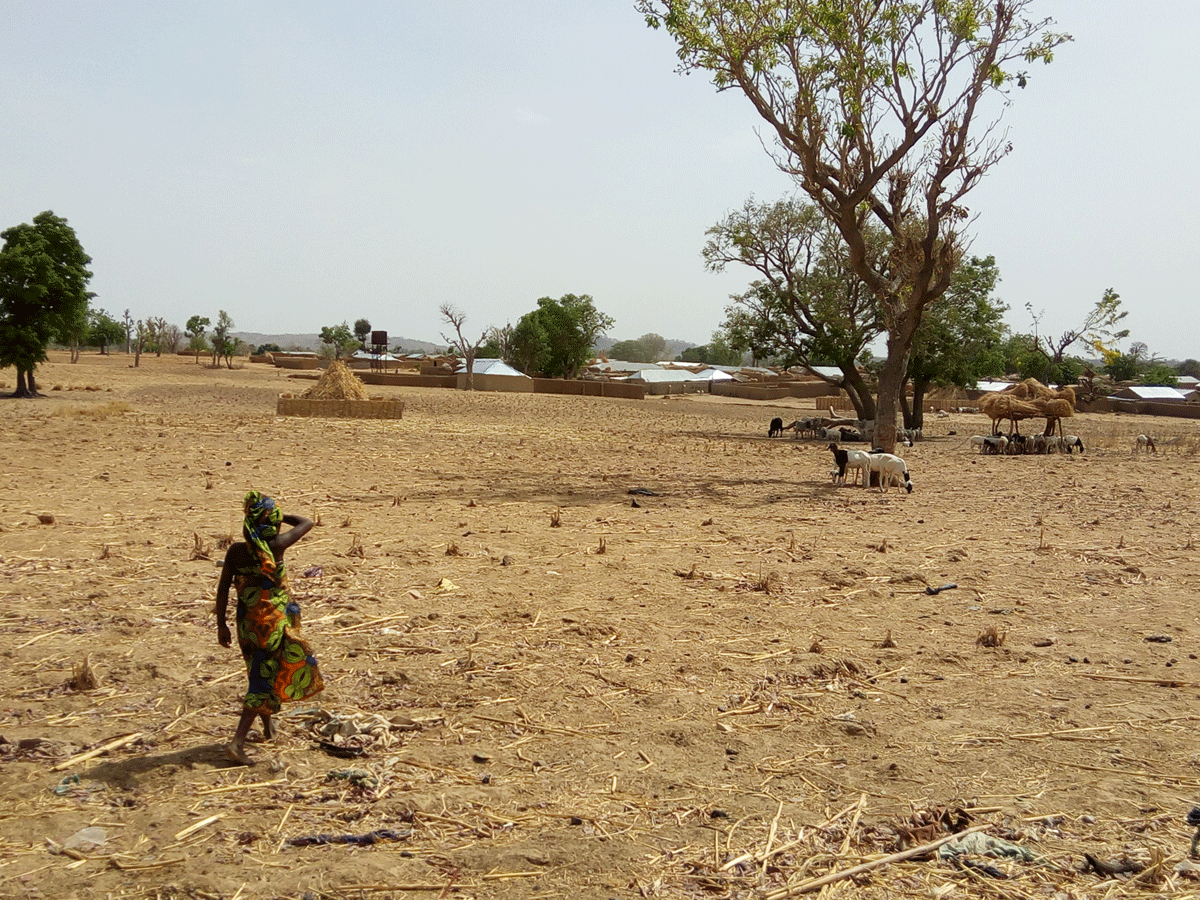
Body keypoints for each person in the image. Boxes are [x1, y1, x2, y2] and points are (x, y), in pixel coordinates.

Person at [216, 491, 324, 765]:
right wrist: (281, 515)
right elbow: (306, 521)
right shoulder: (277, 544)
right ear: (273, 521)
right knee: (262, 678)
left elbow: (222, 589)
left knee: (259, 670)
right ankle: (237, 742)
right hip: (272, 623)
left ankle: (267, 726)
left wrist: (221, 625)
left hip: (246, 623)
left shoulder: (237, 551)